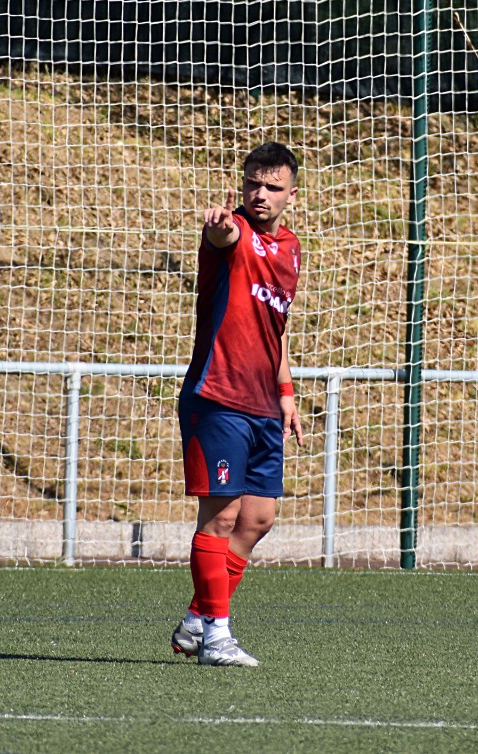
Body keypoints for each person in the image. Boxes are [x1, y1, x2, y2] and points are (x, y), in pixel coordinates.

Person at [168, 142, 305, 667]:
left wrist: (286, 392)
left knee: (257, 520)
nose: (260, 193)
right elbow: (220, 235)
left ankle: (197, 619)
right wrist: (219, 227)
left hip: (264, 403)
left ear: (292, 194)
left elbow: (277, 329)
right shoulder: (234, 233)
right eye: (253, 183)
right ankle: (217, 637)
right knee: (221, 516)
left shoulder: (291, 248)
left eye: (272, 186)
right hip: (218, 397)